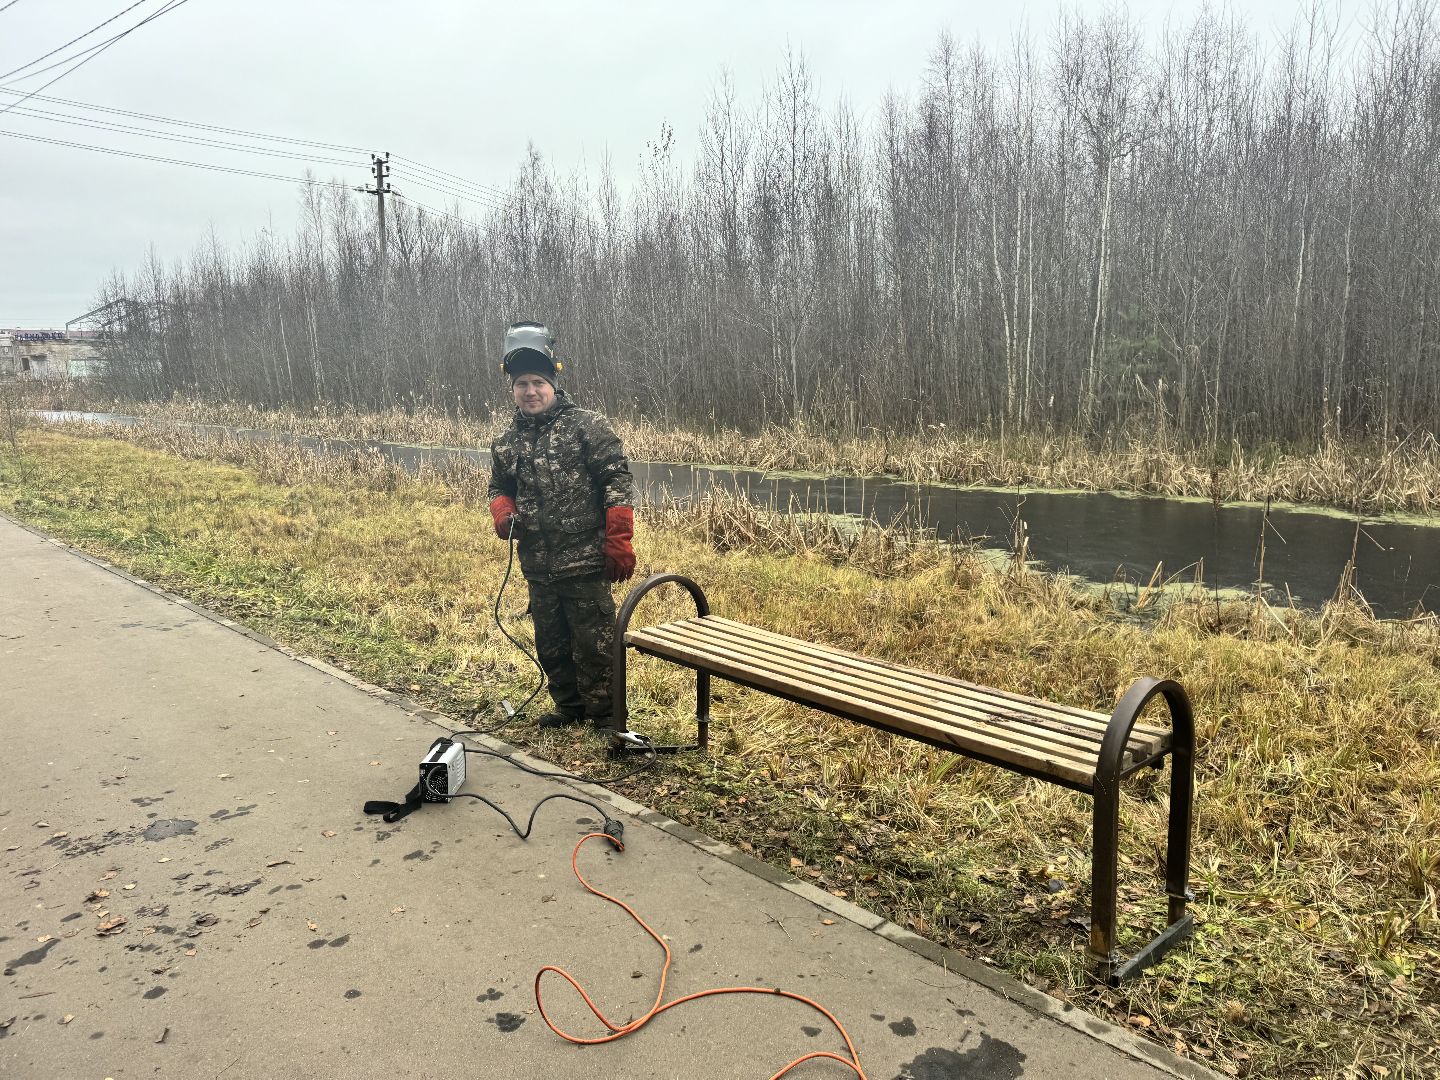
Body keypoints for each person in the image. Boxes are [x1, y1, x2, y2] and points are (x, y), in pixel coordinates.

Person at [486, 321, 637, 731]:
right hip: (537, 561)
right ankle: (569, 707)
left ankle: (607, 715)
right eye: (522, 384)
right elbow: (499, 486)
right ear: (512, 389)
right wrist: (504, 514)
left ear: (552, 383)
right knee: (551, 641)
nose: (530, 391)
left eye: (537, 382)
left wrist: (619, 540)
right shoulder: (506, 441)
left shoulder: (588, 426)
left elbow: (616, 482)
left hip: (586, 558)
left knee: (595, 644)